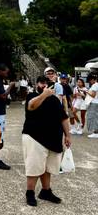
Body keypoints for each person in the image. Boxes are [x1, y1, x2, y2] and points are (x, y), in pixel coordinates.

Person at [22, 76, 71, 206]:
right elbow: (31, 106)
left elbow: (63, 118)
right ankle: (30, 193)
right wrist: (44, 95)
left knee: (48, 167)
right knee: (34, 167)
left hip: (53, 138)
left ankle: (46, 191)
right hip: (34, 137)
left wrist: (67, 135)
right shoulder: (32, 95)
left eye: (48, 83)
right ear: (37, 84)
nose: (45, 85)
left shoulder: (55, 100)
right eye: (42, 82)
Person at [86, 73, 98, 139]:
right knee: (96, 117)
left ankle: (96, 132)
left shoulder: (94, 85)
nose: (90, 82)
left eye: (90, 81)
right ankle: (96, 131)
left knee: (93, 117)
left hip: (94, 103)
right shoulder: (97, 85)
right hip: (96, 102)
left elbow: (93, 95)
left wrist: (86, 91)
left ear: (93, 80)